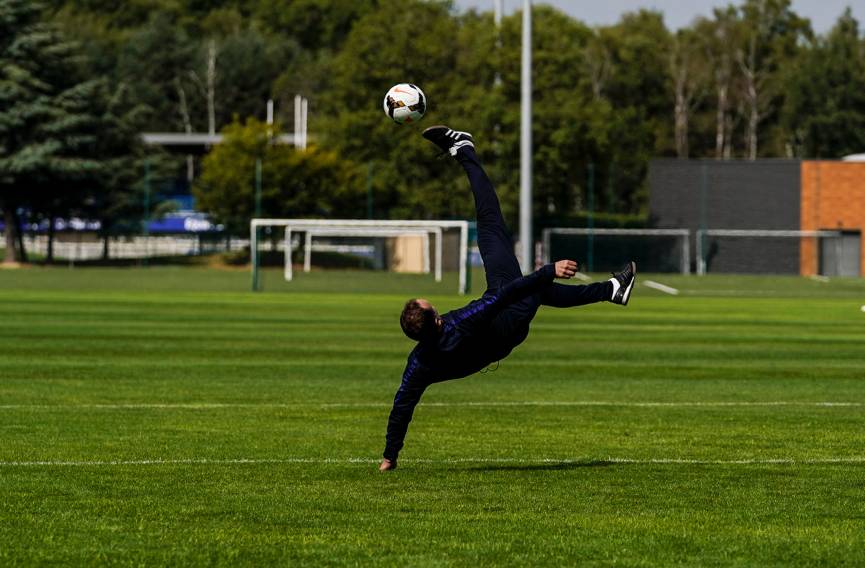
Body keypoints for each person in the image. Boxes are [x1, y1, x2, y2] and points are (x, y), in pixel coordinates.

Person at [380, 126, 636, 471]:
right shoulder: (461, 324)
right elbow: (506, 296)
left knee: (508, 255)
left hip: (499, 333)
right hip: (508, 321)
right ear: (436, 319)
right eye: (429, 305)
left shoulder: (419, 363)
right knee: (496, 233)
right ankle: (465, 149)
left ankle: (614, 291)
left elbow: (402, 406)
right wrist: (548, 269)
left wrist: (389, 456)